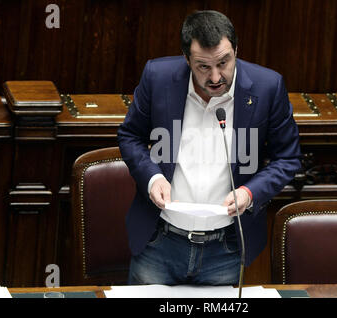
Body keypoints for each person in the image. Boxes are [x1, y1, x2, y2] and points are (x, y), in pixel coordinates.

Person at [117, 10, 301, 285]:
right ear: (186, 58)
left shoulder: (266, 87)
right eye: (203, 66)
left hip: (225, 248)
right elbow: (130, 135)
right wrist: (152, 177)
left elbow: (287, 158)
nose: (216, 77)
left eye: (224, 62)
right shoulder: (158, 77)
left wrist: (250, 193)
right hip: (159, 242)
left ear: (236, 50)